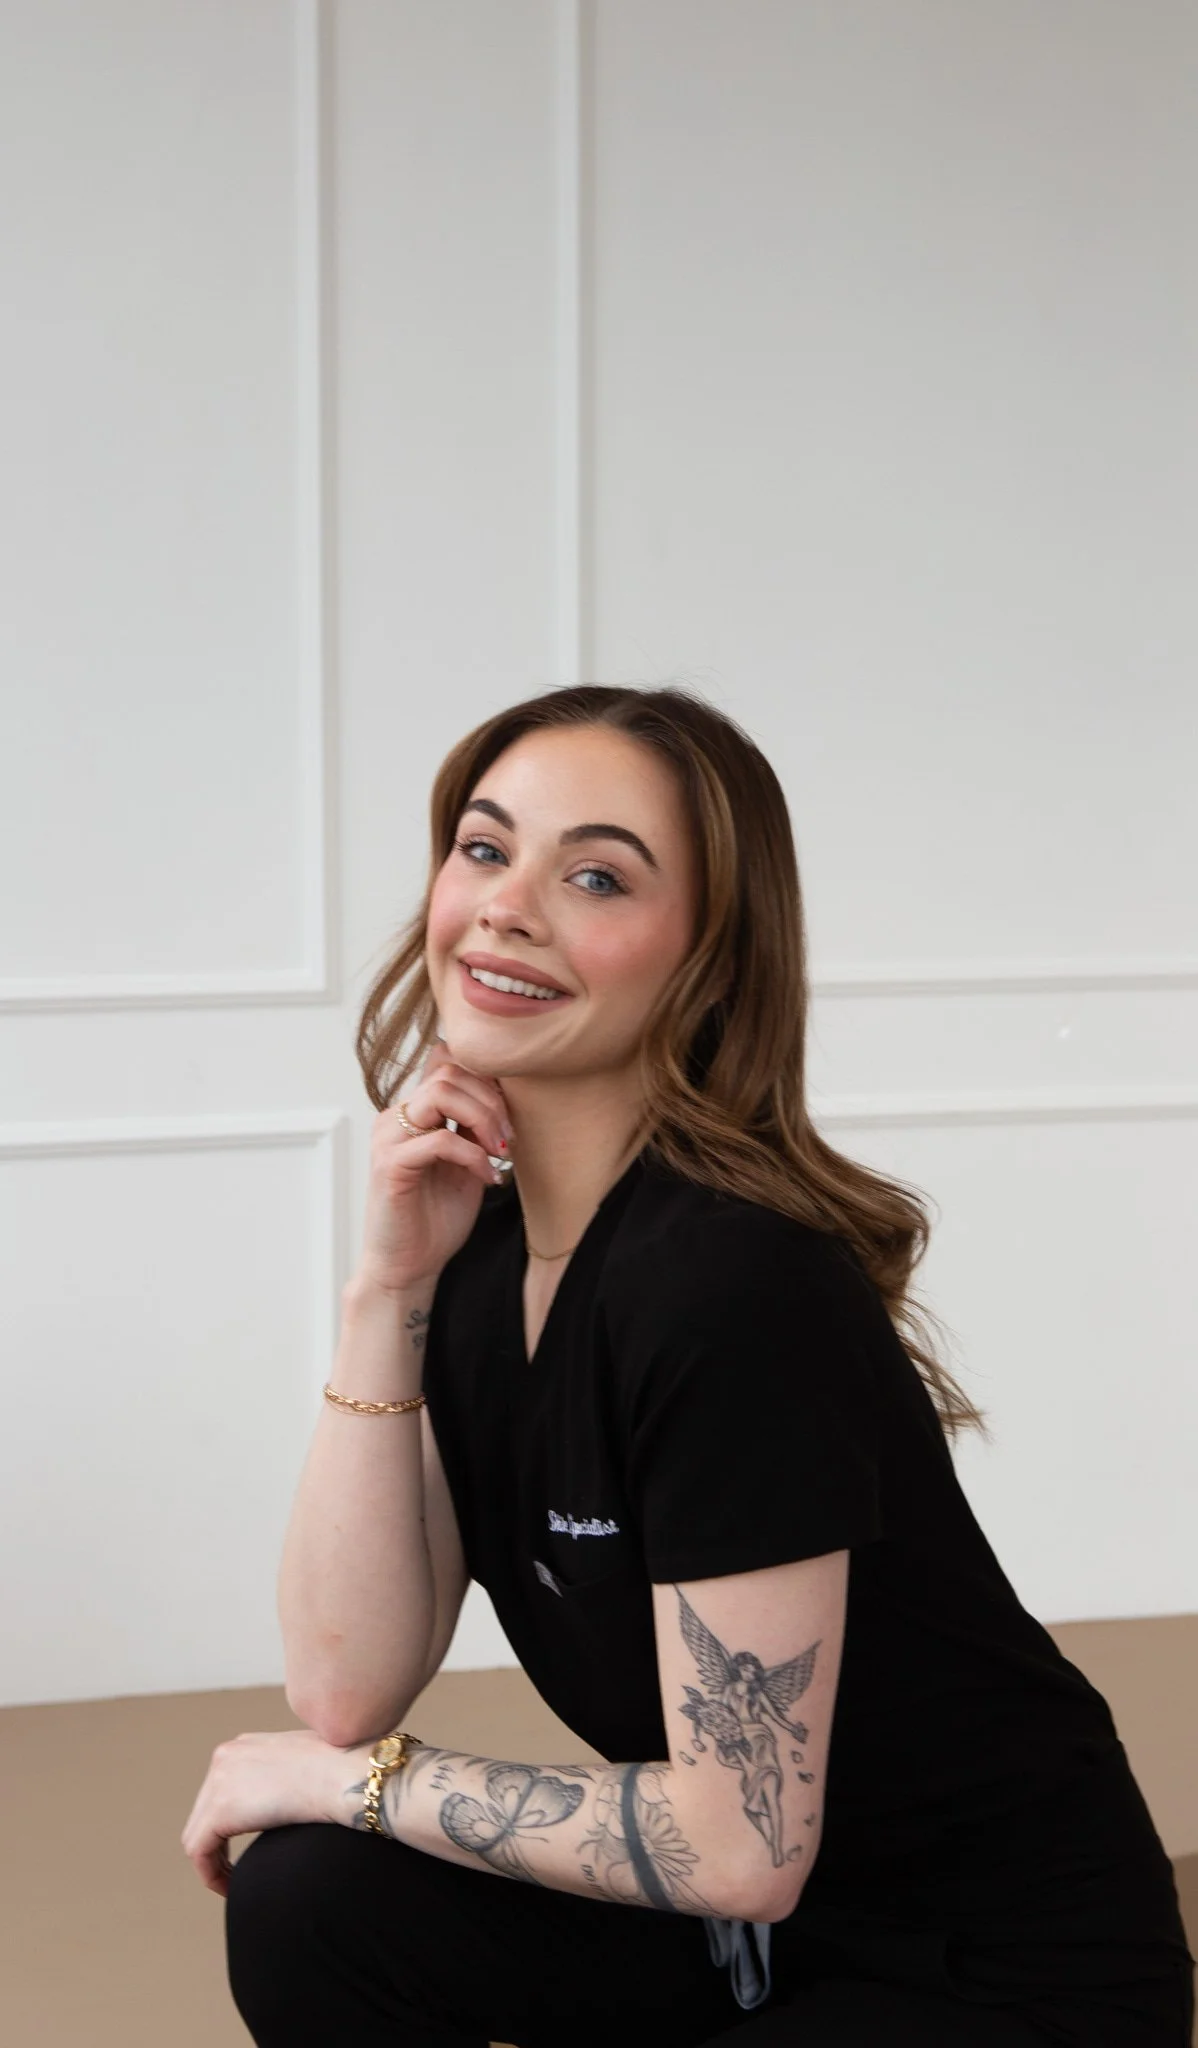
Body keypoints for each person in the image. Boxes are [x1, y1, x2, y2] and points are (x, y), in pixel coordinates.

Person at [182, 685, 1194, 2046]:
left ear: (706, 956)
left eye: (593, 875)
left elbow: (736, 1844)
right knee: (310, 1901)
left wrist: (356, 1784)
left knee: (334, 1825)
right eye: (484, 849)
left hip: (986, 1978)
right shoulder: (476, 1251)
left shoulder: (727, 1285)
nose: (508, 905)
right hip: (738, 1949)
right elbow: (346, 1690)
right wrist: (386, 1289)